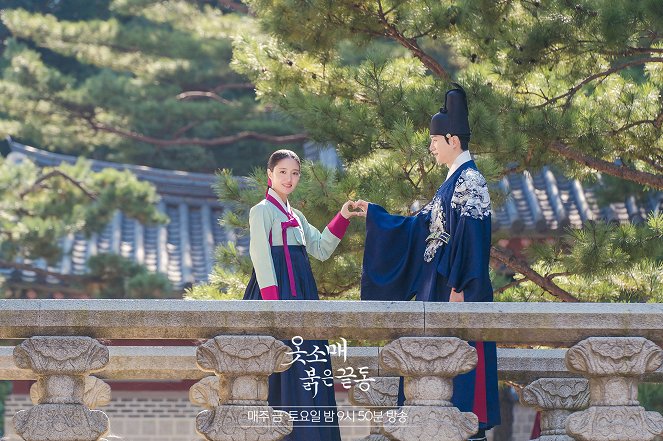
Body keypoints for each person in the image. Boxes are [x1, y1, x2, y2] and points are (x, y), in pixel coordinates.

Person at [356, 85, 500, 441]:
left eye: (435, 140)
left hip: (455, 292)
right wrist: (375, 215)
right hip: (435, 290)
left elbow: (473, 240)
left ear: (452, 139)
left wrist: (460, 288)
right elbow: (419, 227)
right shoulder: (450, 183)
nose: (432, 147)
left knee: (460, 383)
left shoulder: (471, 181)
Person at [244, 149, 364, 441]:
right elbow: (260, 256)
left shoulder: (296, 215)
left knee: (307, 362)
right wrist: (275, 307)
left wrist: (343, 216)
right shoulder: (261, 210)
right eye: (283, 172)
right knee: (279, 362)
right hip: (274, 294)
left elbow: (321, 249)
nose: (289, 178)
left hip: (302, 294)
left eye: (295, 173)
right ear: (270, 174)